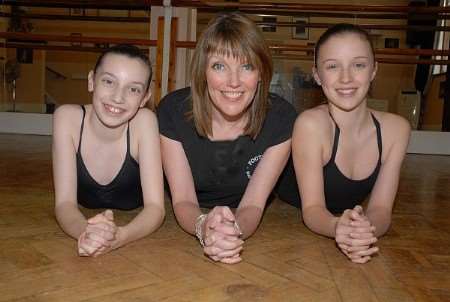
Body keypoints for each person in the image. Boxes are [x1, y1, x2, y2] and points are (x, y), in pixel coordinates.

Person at [157, 12, 297, 264]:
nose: (234, 82)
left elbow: (253, 205)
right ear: (203, 72)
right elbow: (184, 199)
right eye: (219, 66)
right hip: (190, 215)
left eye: (246, 66)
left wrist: (234, 232)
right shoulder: (172, 111)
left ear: (262, 74)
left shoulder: (281, 118)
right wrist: (203, 226)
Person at [292, 24, 410, 263]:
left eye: (358, 65)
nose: (346, 78)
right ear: (317, 75)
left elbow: (381, 210)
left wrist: (365, 231)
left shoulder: (397, 130)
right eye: (333, 66)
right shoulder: (310, 125)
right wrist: (339, 228)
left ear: (374, 70)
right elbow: (313, 209)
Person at [52, 44, 165, 257]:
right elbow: (65, 203)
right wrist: (85, 233)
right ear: (91, 81)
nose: (117, 97)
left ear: (145, 98)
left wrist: (120, 236)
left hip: (132, 217)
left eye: (133, 89)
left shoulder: (145, 122)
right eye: (109, 81)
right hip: (88, 221)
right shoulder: (67, 118)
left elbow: (156, 208)